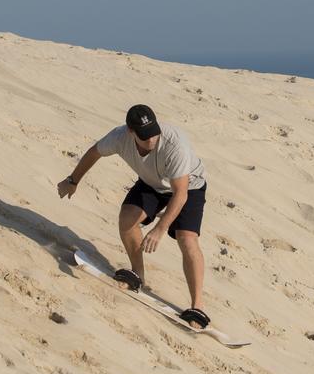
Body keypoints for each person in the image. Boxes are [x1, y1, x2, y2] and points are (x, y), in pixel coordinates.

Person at [58, 104, 211, 328]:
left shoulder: (174, 145)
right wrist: (72, 181)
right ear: (131, 131)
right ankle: (137, 274)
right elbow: (94, 153)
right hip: (151, 184)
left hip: (189, 187)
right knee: (127, 220)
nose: (151, 140)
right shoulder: (119, 137)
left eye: (153, 134)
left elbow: (180, 194)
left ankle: (197, 306)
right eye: (145, 136)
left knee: (186, 238)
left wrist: (159, 230)